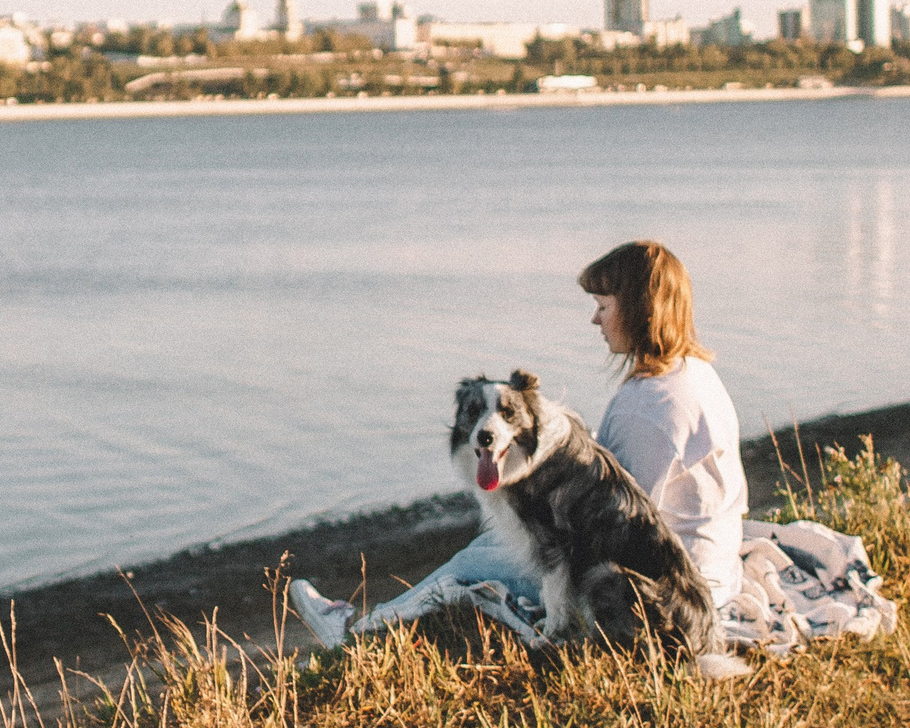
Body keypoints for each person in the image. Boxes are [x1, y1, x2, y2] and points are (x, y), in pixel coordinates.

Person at [288, 239, 748, 649]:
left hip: (660, 591)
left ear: (638, 311)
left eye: (604, 306)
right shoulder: (693, 374)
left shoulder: (648, 406)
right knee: (492, 545)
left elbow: (616, 523)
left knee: (470, 564)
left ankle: (355, 633)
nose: (595, 319)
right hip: (711, 572)